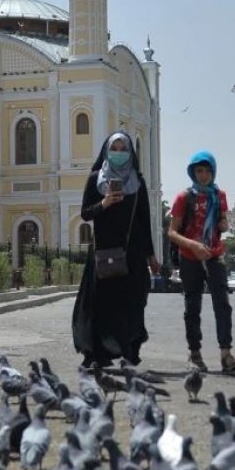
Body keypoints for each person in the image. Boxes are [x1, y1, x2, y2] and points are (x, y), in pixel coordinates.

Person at [72, 132, 159, 368]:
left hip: (133, 253)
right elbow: (85, 213)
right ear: (106, 150)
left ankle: (129, 352)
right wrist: (104, 203)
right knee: (100, 304)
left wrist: (151, 255)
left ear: (130, 153)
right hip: (103, 252)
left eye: (123, 148)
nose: (119, 153)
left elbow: (144, 221)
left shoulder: (137, 183)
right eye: (115, 148)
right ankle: (96, 355)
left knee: (132, 304)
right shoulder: (95, 179)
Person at [168, 151, 235, 374]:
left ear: (213, 171)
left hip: (213, 256)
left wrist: (222, 224)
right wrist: (193, 245)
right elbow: (172, 232)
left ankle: (226, 354)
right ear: (192, 173)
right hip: (190, 257)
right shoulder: (184, 198)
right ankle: (195, 354)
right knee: (192, 306)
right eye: (199, 171)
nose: (203, 176)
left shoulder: (219, 195)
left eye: (207, 171)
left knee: (223, 304)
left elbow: (223, 221)